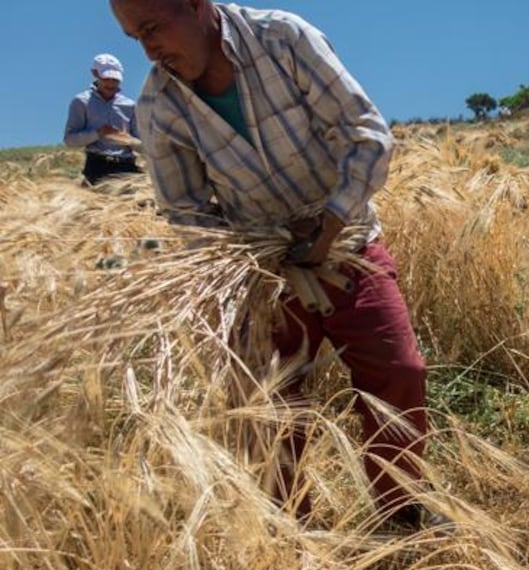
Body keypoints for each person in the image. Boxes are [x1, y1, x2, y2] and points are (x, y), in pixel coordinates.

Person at [110, 0, 439, 529]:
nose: (148, 49)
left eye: (152, 28)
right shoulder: (158, 107)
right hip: (262, 270)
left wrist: (329, 225)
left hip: (347, 240)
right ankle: (291, 541)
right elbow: (188, 215)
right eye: (135, 38)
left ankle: (401, 516)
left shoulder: (283, 39)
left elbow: (367, 133)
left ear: (196, 7)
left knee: (398, 373)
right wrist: (255, 265)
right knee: (267, 408)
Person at [63, 54, 142, 185]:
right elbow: (70, 140)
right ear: (95, 73)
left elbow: (143, 145)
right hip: (97, 167)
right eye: (107, 78)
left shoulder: (130, 106)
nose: (111, 84)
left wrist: (128, 140)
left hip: (127, 167)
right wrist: (98, 133)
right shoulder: (81, 102)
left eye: (115, 80)